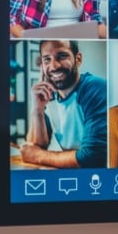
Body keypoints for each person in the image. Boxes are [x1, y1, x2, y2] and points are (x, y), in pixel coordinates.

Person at [20, 40, 106, 168]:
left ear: (78, 59)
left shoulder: (94, 87)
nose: (54, 66)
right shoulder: (50, 95)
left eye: (62, 56)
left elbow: (92, 157)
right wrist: (37, 109)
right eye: (47, 60)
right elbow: (36, 146)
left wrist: (38, 156)